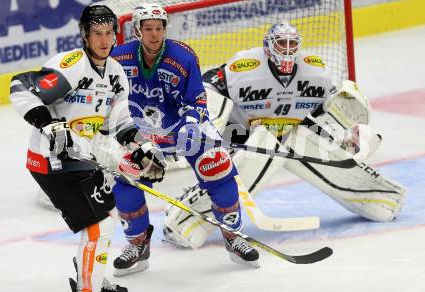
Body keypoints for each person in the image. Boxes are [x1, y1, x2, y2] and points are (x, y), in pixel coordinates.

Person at [163, 20, 407, 249]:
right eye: (282, 43)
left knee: (304, 137)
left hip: (291, 135)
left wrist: (344, 136)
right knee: (251, 155)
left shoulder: (314, 71)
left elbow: (327, 109)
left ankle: (381, 198)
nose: (287, 50)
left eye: (292, 44)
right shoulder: (244, 65)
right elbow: (206, 88)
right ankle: (184, 220)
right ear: (269, 47)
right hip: (242, 136)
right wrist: (206, 127)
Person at [9, 4, 165, 292]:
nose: (104, 41)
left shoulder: (116, 72)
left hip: (83, 159)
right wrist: (49, 124)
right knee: (100, 225)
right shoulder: (72, 66)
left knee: (105, 219)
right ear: (85, 35)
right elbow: (20, 86)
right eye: (97, 34)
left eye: (109, 33)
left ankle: (90, 276)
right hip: (51, 162)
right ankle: (88, 287)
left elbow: (120, 122)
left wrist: (140, 147)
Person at [109, 3, 260, 275]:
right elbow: (109, 100)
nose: (155, 34)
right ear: (137, 31)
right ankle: (137, 246)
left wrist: (191, 123)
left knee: (218, 167)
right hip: (142, 136)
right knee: (125, 183)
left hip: (183, 128)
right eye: (148, 29)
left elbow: (198, 98)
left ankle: (234, 237)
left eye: (159, 28)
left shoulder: (183, 56)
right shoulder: (118, 59)